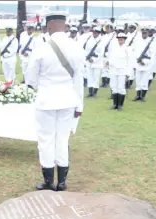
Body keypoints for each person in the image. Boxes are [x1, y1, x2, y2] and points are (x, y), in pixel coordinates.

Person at [25, 11, 84, 192]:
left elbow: (31, 78)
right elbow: (79, 79)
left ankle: (49, 181)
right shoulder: (77, 47)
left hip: (46, 100)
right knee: (62, 139)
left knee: (46, 140)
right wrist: (79, 105)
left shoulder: (41, 48)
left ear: (49, 26)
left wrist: (36, 86)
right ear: (65, 25)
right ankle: (62, 182)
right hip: (68, 100)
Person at [108, 32, 131, 110]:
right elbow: (111, 59)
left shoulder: (127, 48)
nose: (120, 41)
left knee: (121, 87)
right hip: (114, 70)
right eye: (119, 39)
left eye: (122, 39)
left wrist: (128, 73)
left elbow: (130, 61)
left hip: (122, 70)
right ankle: (115, 104)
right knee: (114, 86)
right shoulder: (114, 48)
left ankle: (120, 105)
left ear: (124, 40)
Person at [132, 27, 154, 102]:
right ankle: (138, 95)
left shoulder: (150, 42)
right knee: (138, 81)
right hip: (138, 64)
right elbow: (134, 52)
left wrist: (145, 62)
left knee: (144, 82)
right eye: (143, 33)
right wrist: (138, 61)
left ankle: (143, 96)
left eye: (146, 33)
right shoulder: (137, 42)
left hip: (146, 65)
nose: (144, 34)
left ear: (148, 33)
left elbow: (152, 55)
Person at [84, 26, 104, 98]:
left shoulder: (101, 41)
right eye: (94, 32)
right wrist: (88, 58)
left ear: (99, 33)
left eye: (96, 32)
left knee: (96, 77)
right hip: (89, 62)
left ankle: (94, 93)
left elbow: (101, 53)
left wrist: (94, 59)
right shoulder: (89, 40)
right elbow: (86, 50)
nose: (94, 34)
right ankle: (90, 92)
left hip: (97, 62)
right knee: (89, 77)